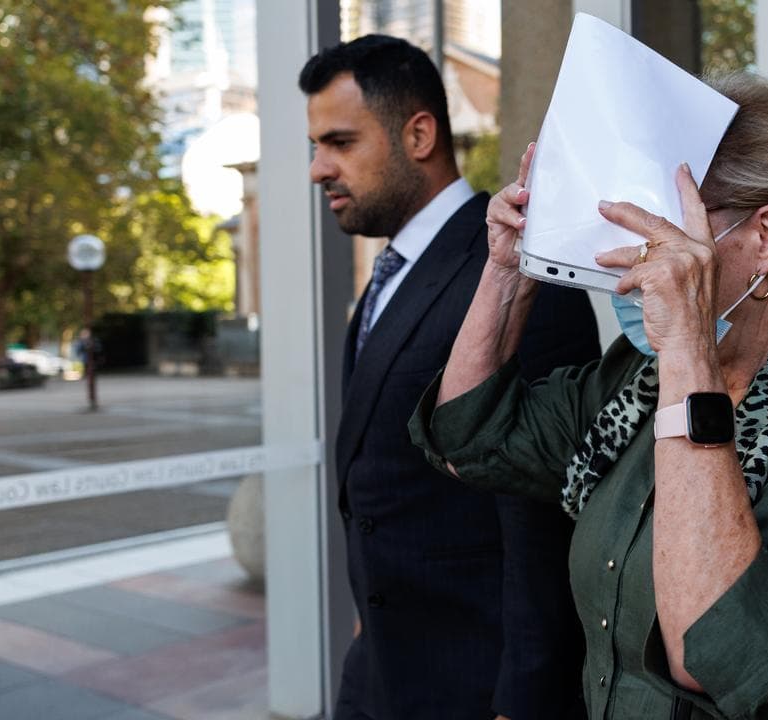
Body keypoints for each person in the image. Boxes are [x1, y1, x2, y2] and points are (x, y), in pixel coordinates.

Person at [410, 72, 768, 719]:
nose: (634, 262)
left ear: (765, 238)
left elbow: (723, 661)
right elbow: (469, 435)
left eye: (665, 229)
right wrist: (508, 269)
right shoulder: (638, 381)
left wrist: (688, 354)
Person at [299, 35, 599, 720]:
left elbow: (545, 514)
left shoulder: (518, 271)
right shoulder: (391, 273)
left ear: (419, 135)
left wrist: (523, 700)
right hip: (379, 671)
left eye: (340, 142)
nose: (318, 169)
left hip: (473, 686)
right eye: (316, 146)